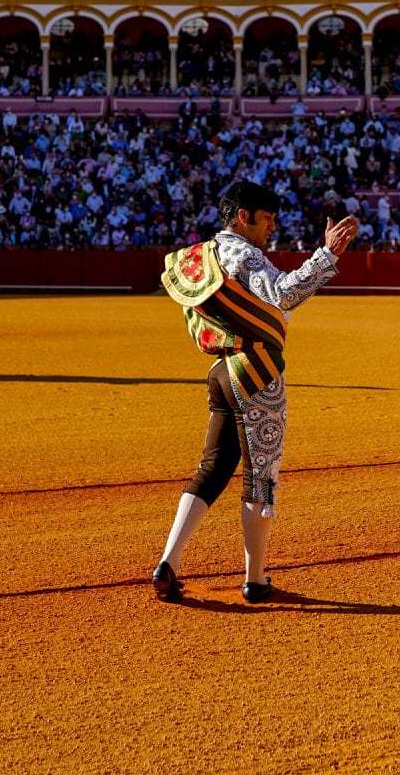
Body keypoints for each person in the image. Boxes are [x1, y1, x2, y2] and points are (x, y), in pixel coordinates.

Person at [153, 180, 359, 604]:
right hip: (256, 372)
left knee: (213, 467)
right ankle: (255, 579)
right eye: (266, 219)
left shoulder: (203, 254)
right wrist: (327, 255)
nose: (271, 228)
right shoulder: (243, 254)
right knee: (260, 474)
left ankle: (168, 563)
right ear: (242, 216)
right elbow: (282, 293)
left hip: (221, 371)